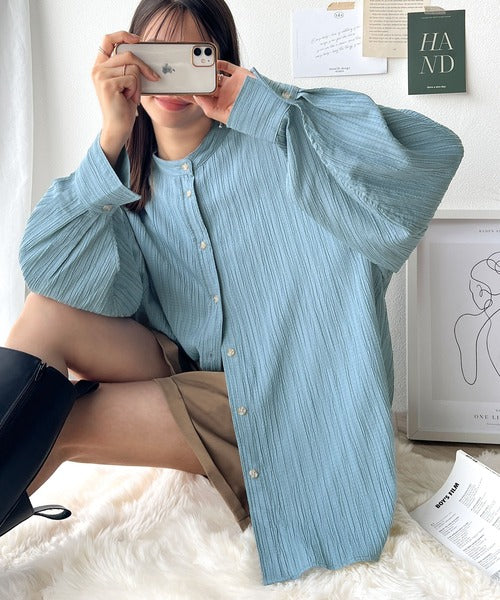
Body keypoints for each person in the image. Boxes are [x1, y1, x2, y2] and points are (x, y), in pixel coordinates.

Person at [3, 0, 463, 586]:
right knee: (45, 318)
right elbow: (45, 271)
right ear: (127, 64)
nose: (171, 80)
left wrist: (268, 110)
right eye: (155, 59)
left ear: (222, 63)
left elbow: (435, 153)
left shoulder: (290, 150)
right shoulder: (129, 182)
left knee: (46, 421)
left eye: (192, 57)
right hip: (186, 374)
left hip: (276, 410)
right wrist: (111, 137)